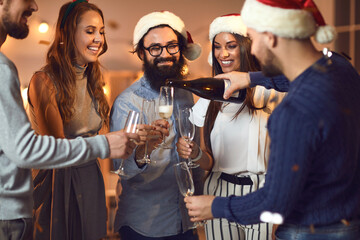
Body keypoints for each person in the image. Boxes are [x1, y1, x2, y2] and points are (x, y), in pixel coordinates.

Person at [185, 0, 360, 239]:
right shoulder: (342, 70)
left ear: (271, 37)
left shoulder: (292, 111)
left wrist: (214, 206)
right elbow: (308, 73)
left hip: (307, 229)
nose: (253, 49)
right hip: (350, 223)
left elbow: (274, 202)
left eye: (254, 39)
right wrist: (251, 78)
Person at [0, 0, 140, 239]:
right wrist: (104, 143)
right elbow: (54, 146)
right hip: (59, 183)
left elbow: (102, 138)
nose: (99, 39)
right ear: (67, 34)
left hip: (90, 178)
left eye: (102, 32)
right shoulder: (43, 81)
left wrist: (135, 138)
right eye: (89, 31)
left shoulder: (95, 81)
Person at [176, 14, 285, 240]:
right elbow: (209, 161)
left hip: (261, 191)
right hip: (219, 190)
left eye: (231, 46)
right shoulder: (209, 95)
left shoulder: (271, 90)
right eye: (217, 47)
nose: (222, 54)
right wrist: (195, 154)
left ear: (246, 47)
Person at [110, 11, 204, 239]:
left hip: (185, 221)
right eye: (155, 48)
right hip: (143, 226)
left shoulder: (186, 95)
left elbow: (195, 159)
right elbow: (120, 168)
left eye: (171, 46)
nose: (165, 54)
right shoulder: (127, 102)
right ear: (142, 53)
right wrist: (145, 149)